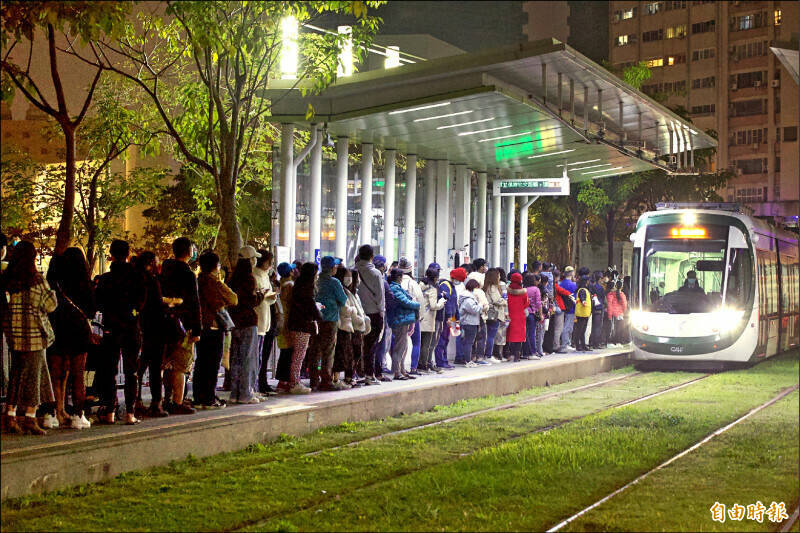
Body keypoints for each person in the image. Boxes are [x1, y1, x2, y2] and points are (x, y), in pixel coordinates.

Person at [1, 241, 58, 435]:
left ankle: (10, 415)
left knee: (16, 376)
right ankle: (30, 418)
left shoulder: (8, 280)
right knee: (35, 377)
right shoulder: (37, 280)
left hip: (14, 336)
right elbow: (51, 305)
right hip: (35, 337)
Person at [95, 240, 146, 425]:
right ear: (128, 253)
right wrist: (132, 313)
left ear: (111, 254)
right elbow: (141, 301)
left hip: (111, 327)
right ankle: (130, 413)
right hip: (131, 327)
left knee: (110, 370)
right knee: (132, 370)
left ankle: (109, 411)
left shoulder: (105, 279)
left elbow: (98, 303)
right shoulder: (137, 277)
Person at [45, 247, 96, 429]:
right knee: (78, 375)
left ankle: (55, 411)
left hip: (57, 329)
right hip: (79, 332)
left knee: (57, 373)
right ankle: (78, 415)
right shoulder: (84, 284)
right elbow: (91, 310)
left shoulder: (56, 284)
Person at [159, 237, 202, 415]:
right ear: (189, 251)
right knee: (181, 365)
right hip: (182, 325)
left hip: (164, 321)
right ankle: (177, 401)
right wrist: (197, 329)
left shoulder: (164, 271)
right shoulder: (188, 274)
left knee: (167, 363)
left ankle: (166, 398)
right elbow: (194, 303)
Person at [194, 251, 238, 408]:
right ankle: (208, 398)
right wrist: (220, 282)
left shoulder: (198, 280)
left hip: (201, 326)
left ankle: (199, 397)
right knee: (212, 365)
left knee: (201, 363)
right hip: (213, 326)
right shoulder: (213, 282)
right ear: (215, 267)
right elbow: (233, 299)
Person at [227, 247, 266, 404]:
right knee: (248, 359)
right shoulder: (249, 279)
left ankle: (235, 393)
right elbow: (251, 301)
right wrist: (261, 295)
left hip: (234, 322)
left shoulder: (232, 278)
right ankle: (246, 393)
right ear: (250, 260)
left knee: (236, 358)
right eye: (254, 258)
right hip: (248, 322)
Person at [133, 251, 169, 418]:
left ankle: (135, 400)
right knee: (155, 368)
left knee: (138, 368)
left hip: (138, 327)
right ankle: (156, 403)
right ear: (151, 263)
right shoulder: (152, 281)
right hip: (155, 329)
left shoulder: (133, 278)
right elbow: (157, 304)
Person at [310, 256, 348, 391]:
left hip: (315, 320)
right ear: (332, 268)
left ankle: (314, 380)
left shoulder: (316, 281)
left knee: (315, 350)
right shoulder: (334, 282)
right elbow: (343, 300)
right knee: (328, 351)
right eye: (335, 266)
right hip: (330, 320)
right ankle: (326, 380)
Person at [288, 263, 323, 393]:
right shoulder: (307, 289)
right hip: (302, 325)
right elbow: (310, 306)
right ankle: (295, 383)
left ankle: (294, 381)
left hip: (296, 323)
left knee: (298, 354)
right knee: (299, 355)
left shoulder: (299, 285)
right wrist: (319, 314)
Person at [355, 245, 385, 385]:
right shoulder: (376, 273)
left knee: (356, 345)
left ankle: (354, 374)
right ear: (372, 256)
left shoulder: (353, 270)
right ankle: (369, 374)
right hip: (373, 313)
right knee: (371, 346)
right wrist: (381, 312)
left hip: (357, 313)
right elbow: (380, 296)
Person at [386, 268, 420, 380]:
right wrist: (416, 304)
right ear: (399, 277)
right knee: (399, 348)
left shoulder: (397, 287)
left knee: (404, 346)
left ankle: (402, 370)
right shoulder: (394, 288)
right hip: (399, 319)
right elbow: (405, 301)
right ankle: (397, 372)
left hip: (402, 320)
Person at [253, 250, 278, 395]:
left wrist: (271, 295)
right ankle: (256, 386)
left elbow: (266, 295)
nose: (271, 265)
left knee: (262, 355)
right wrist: (265, 294)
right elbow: (258, 295)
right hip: (258, 318)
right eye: (269, 262)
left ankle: (262, 383)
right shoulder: (254, 275)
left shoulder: (265, 275)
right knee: (256, 356)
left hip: (266, 316)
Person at [274, 262, 299, 393]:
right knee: (288, 352)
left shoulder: (281, 285)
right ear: (290, 272)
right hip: (288, 322)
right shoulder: (290, 285)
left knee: (285, 351)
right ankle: (283, 381)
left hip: (282, 321)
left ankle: (282, 380)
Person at [397, 257, 424, 374]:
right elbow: (420, 301)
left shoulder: (394, 283)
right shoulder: (413, 283)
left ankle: (398, 367)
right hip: (412, 317)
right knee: (416, 342)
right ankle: (413, 367)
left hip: (397, 317)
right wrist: (420, 317)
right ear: (410, 269)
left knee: (398, 343)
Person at [435, 268, 465, 369]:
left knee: (446, 339)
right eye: (459, 280)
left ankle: (444, 360)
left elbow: (454, 304)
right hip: (446, 318)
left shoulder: (451, 286)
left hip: (451, 317)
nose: (459, 282)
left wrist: (457, 318)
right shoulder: (445, 285)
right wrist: (448, 317)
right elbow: (447, 303)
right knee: (442, 339)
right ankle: (440, 361)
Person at [418, 268, 445, 374]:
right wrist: (442, 302)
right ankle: (424, 365)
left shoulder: (420, 286)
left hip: (420, 317)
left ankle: (418, 364)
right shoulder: (432, 289)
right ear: (435, 278)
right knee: (426, 344)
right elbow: (434, 306)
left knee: (419, 343)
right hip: (428, 319)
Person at [467, 259, 490, 365]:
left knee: (471, 338)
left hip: (469, 316)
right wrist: (486, 307)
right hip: (480, 315)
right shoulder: (479, 291)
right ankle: (480, 357)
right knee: (481, 336)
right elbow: (485, 305)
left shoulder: (466, 292)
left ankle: (471, 357)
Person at [457, 279, 483, 367]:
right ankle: (468, 361)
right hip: (470, 323)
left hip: (469, 322)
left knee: (468, 342)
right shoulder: (468, 299)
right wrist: (480, 305)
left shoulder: (467, 297)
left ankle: (467, 360)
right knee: (469, 342)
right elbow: (475, 310)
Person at [483, 268, 506, 363]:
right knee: (491, 335)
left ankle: (487, 354)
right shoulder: (493, 287)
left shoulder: (486, 286)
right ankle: (488, 355)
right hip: (494, 314)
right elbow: (496, 300)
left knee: (488, 335)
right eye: (498, 275)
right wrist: (504, 302)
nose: (499, 277)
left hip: (489, 313)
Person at [505, 272, 529, 362]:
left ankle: (509, 354)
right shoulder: (523, 292)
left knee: (509, 334)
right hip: (520, 316)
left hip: (509, 315)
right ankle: (517, 355)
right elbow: (526, 304)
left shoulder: (507, 291)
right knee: (519, 336)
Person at [558, 266, 577, 353]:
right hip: (571, 308)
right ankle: (565, 344)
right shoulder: (573, 285)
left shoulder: (560, 284)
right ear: (572, 273)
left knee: (564, 326)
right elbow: (575, 298)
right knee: (568, 327)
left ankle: (565, 343)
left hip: (563, 307)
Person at [522, 273, 540, 359]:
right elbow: (538, 303)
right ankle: (532, 352)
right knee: (532, 333)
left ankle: (525, 353)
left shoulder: (523, 289)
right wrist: (540, 314)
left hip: (524, 313)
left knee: (525, 334)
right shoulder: (536, 289)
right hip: (532, 313)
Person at [607, 280, 629, 345]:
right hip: (620, 314)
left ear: (616, 286)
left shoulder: (611, 294)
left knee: (614, 327)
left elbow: (609, 305)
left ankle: (614, 340)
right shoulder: (622, 295)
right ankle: (620, 340)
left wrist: (609, 315)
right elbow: (624, 305)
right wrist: (625, 312)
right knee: (620, 328)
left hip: (614, 313)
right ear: (622, 287)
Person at [589, 271, 607, 349]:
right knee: (598, 326)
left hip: (593, 308)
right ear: (599, 279)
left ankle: (591, 342)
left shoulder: (592, 286)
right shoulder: (600, 288)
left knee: (593, 326)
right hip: (600, 307)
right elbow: (603, 298)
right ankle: (596, 343)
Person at [574, 279, 592, 352]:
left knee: (582, 330)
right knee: (580, 330)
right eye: (588, 281)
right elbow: (582, 297)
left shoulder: (584, 290)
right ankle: (578, 345)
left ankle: (583, 345)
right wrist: (583, 301)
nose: (589, 282)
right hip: (582, 313)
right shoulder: (582, 290)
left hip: (585, 313)